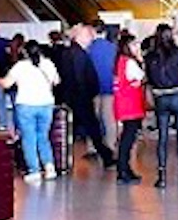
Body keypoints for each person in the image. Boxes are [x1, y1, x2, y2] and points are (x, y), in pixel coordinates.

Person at [0, 40, 60, 184]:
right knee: (43, 136)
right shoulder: (48, 64)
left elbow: (7, 83)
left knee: (29, 138)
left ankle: (34, 170)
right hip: (46, 104)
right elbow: (56, 81)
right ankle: (49, 167)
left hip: (26, 105)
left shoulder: (20, 66)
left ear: (24, 52)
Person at [145, 24, 178, 188]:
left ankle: (162, 176)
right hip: (177, 95)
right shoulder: (177, 53)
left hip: (160, 97)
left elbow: (149, 78)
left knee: (163, 137)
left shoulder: (151, 56)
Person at [63, 25, 116, 170]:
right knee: (93, 128)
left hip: (75, 97)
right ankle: (107, 157)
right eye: (88, 35)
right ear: (79, 37)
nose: (91, 38)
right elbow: (80, 77)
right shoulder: (79, 54)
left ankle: (105, 156)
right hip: (81, 98)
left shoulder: (71, 52)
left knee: (81, 129)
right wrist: (87, 94)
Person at [113, 31, 147, 185]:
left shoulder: (119, 61)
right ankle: (123, 170)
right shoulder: (130, 62)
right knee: (128, 138)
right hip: (131, 105)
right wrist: (140, 59)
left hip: (122, 103)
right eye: (134, 44)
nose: (136, 47)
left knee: (126, 137)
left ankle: (124, 169)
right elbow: (142, 77)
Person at [88, 21, 119, 149]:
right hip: (109, 87)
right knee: (109, 119)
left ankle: (93, 146)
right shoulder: (113, 48)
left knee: (94, 119)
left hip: (93, 88)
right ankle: (111, 144)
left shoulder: (88, 48)